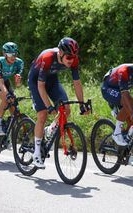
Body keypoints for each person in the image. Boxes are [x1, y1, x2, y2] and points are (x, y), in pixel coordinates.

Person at [28, 37, 90, 169]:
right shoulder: (48, 57)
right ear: (60, 53)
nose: (71, 60)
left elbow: (77, 83)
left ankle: (50, 130)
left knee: (66, 110)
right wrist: (49, 106)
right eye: (68, 57)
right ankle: (37, 153)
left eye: (74, 57)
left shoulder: (73, 59)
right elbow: (40, 86)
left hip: (52, 80)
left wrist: (81, 104)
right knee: (43, 114)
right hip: (36, 81)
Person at [0, 42, 23, 136]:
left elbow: (18, 85)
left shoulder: (19, 63)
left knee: (14, 106)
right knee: (6, 98)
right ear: (4, 54)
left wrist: (18, 81)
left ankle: (10, 132)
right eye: (10, 54)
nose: (13, 56)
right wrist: (7, 94)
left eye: (15, 54)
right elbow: (0, 82)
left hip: (5, 81)